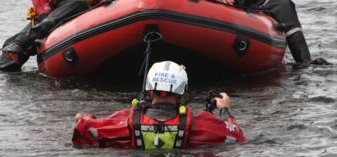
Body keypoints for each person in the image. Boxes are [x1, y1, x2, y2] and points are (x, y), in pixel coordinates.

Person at [73, 61, 245, 149]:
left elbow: (84, 131)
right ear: (181, 93)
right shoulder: (202, 124)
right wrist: (224, 110)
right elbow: (237, 136)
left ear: (149, 91)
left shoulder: (124, 120)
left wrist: (84, 117)